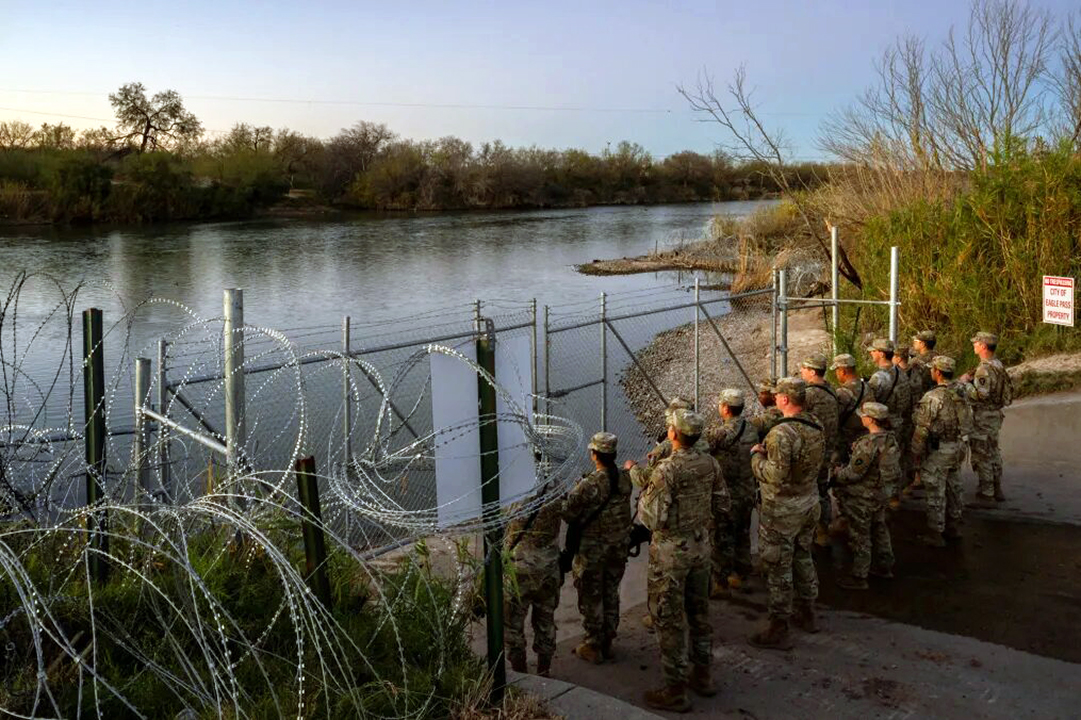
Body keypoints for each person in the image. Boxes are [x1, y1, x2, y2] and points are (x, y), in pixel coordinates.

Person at [634, 410, 728, 712]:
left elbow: (651, 518)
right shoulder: (710, 463)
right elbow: (722, 503)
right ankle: (703, 675)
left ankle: (674, 689)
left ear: (674, 434)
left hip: (671, 553)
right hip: (700, 547)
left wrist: (642, 497)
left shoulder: (667, 470)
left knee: (669, 619)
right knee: (699, 613)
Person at [749, 377, 825, 650]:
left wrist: (756, 457)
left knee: (778, 566)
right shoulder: (816, 424)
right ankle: (808, 611)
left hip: (782, 510)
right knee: (803, 556)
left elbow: (775, 475)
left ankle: (779, 626)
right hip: (809, 501)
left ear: (783, 399)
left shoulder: (781, 434)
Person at [562, 432, 632, 663]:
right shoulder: (624, 478)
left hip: (593, 550)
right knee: (611, 591)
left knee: (591, 596)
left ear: (594, 455)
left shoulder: (588, 485)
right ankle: (608, 640)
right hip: (618, 546)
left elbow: (569, 513)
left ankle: (593, 644)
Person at [831, 402, 898, 590]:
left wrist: (837, 474)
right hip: (882, 493)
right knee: (880, 529)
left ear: (870, 419)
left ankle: (860, 576)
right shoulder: (890, 439)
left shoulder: (868, 444)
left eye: (863, 415)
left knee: (860, 535)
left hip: (863, 496)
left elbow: (855, 473)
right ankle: (885, 566)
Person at [503, 486, 563, 676]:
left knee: (513, 625)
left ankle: (520, 674)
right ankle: (544, 672)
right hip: (548, 568)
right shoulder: (556, 486)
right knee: (546, 621)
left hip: (520, 570)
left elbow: (501, 520)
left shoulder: (516, 489)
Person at [705, 388, 757, 597]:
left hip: (726, 495)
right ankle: (741, 573)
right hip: (747, 490)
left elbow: (698, 446)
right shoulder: (751, 428)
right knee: (743, 533)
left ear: (725, 408)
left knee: (721, 537)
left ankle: (721, 581)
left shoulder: (721, 434)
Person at [911, 356, 965, 547]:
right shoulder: (960, 391)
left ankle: (936, 533)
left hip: (940, 449)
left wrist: (916, 452)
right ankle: (954, 526)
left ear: (938, 372)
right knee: (954, 487)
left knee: (935, 491)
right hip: (958, 445)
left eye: (932, 369)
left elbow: (922, 428)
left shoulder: (933, 397)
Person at [960, 331, 1012, 505]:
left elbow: (980, 395)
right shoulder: (997, 364)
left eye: (976, 343)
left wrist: (965, 384)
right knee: (993, 451)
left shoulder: (983, 369)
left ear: (983, 346)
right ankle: (996, 488)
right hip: (994, 415)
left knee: (982, 454)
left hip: (983, 415)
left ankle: (986, 493)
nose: (973, 345)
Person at [799, 354, 839, 546]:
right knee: (822, 487)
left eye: (804, 368)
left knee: (809, 488)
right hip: (828, 447)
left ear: (813, 372)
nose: (801, 371)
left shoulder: (809, 394)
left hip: (811, 449)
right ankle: (824, 528)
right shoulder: (831, 389)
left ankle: (811, 531)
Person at [867, 339, 911, 506]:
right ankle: (895, 495)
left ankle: (886, 499)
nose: (871, 353)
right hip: (899, 421)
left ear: (882, 354)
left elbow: (869, 402)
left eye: (874, 351)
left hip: (885, 424)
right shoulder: (901, 372)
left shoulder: (879, 377)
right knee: (896, 459)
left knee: (884, 464)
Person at [831, 354, 869, 462]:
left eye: (837, 371)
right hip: (866, 435)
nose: (836, 374)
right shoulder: (866, 386)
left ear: (842, 371)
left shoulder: (844, 392)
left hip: (848, 439)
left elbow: (835, 414)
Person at [892, 347, 918, 489]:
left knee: (899, 453)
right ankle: (910, 482)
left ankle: (899, 487)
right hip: (914, 418)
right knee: (909, 451)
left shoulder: (899, 376)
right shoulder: (915, 373)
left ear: (898, 358)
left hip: (903, 418)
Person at [909, 330, 939, 400]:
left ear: (922, 344)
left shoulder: (915, 361)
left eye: (916, 341)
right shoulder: (939, 357)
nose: (914, 343)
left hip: (921, 397)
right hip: (936, 395)